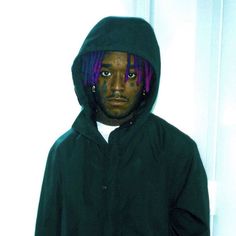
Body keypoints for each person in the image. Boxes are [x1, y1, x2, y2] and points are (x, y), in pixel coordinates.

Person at [35, 16, 210, 236]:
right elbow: (46, 229)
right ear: (90, 78)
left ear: (147, 82)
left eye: (131, 74)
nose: (117, 86)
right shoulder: (64, 152)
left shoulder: (179, 153)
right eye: (106, 73)